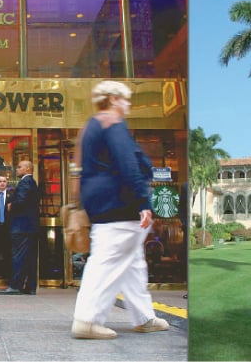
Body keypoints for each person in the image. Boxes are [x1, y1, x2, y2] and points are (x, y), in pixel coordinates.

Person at [71, 81, 169, 339]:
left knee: (133, 262)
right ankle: (88, 320)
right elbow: (128, 164)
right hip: (119, 203)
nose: (128, 104)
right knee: (107, 260)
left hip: (101, 202)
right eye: (126, 99)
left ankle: (145, 316)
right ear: (113, 99)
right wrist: (143, 202)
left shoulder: (92, 125)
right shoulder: (113, 123)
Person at [0, 160, 39, 295]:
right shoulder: (32, 182)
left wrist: (11, 205)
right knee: (29, 257)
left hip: (22, 226)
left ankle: (15, 286)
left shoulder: (25, 182)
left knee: (18, 256)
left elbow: (21, 201)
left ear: (27, 169)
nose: (17, 169)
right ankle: (30, 286)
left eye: (19, 167)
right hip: (30, 227)